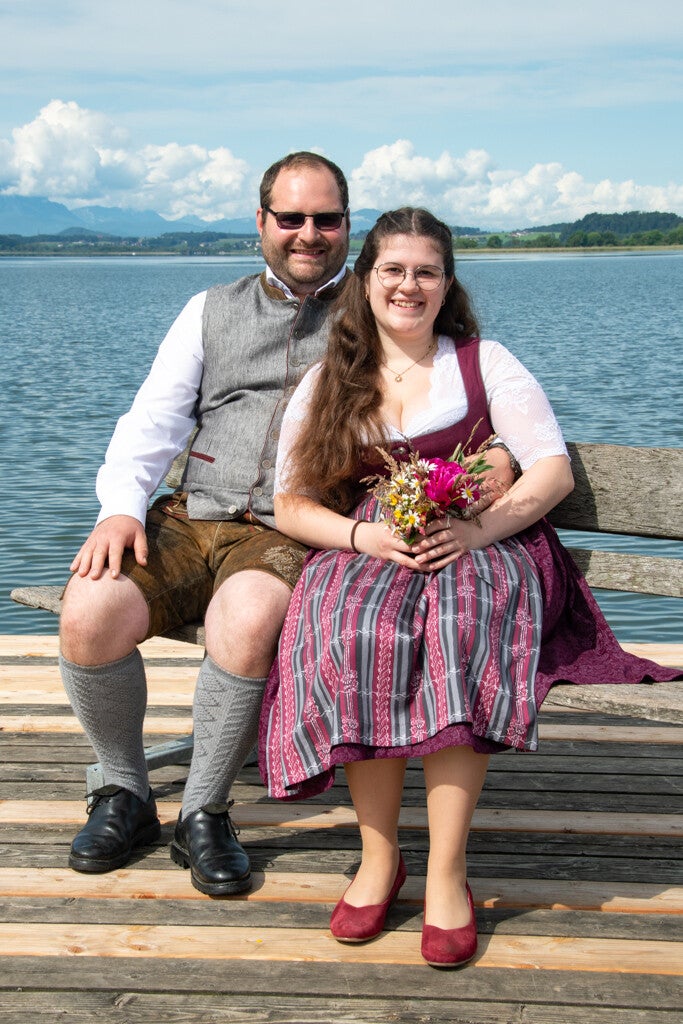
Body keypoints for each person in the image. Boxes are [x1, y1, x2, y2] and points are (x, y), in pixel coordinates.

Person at [259, 207, 679, 966]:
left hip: (485, 539)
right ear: (364, 280)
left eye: (426, 271)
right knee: (353, 625)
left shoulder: (485, 363)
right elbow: (290, 503)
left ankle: (448, 871)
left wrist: (479, 530)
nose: (408, 285)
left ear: (447, 284)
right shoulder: (331, 380)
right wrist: (363, 537)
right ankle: (380, 858)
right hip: (372, 542)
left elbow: (550, 470)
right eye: (392, 269)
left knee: (461, 623)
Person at [58, 151, 355, 894]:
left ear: (348, 224)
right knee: (89, 609)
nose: (308, 233)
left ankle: (203, 812)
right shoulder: (209, 309)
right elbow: (152, 421)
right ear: (261, 221)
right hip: (191, 513)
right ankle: (124, 793)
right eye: (291, 217)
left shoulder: (379, 315)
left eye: (325, 218)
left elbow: (454, 392)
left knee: (247, 619)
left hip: (289, 527)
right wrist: (120, 507)